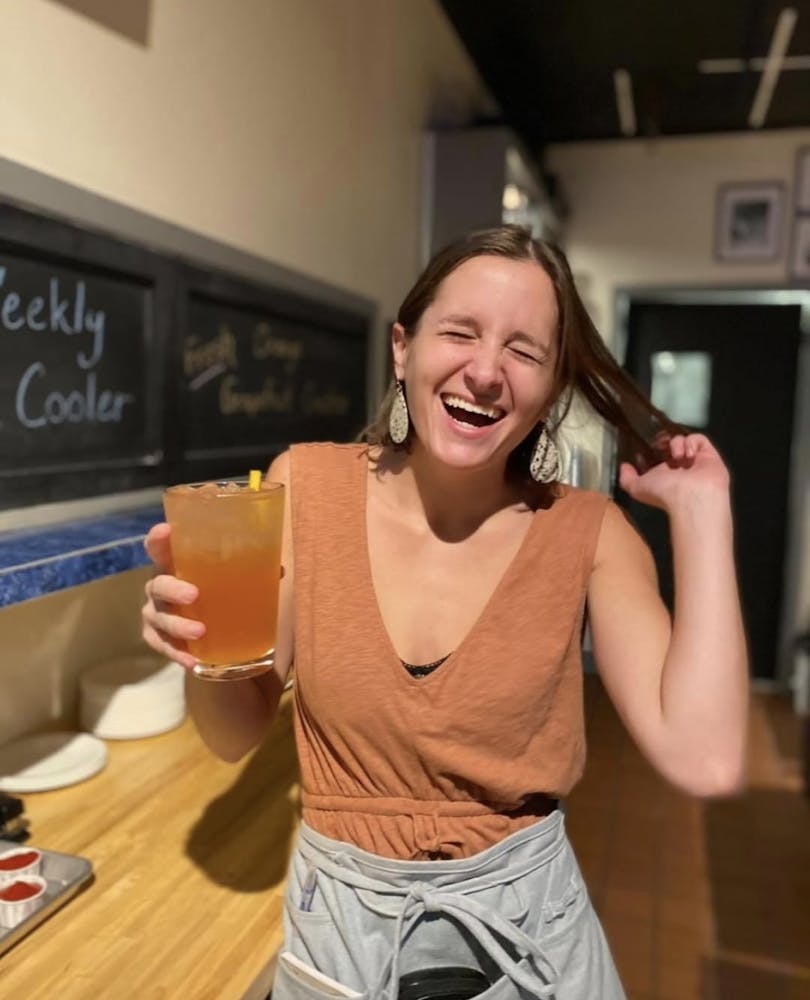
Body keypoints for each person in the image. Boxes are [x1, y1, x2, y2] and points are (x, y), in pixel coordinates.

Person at [142, 225, 748, 999]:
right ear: (403, 348)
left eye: (525, 352)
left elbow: (707, 758)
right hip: (344, 941)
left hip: (528, 940)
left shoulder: (588, 534)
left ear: (554, 386)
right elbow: (235, 735)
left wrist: (704, 511)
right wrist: (202, 647)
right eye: (460, 332)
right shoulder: (306, 489)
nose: (487, 372)